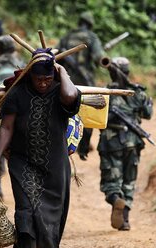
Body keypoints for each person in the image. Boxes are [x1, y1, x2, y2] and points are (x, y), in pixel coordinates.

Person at [0, 48, 81, 248]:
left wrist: (63, 72)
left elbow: (71, 97)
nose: (42, 83)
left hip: (55, 165)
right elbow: (7, 128)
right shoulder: (17, 93)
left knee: (53, 215)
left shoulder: (61, 91)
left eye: (47, 79)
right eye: (38, 78)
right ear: (29, 75)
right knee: (25, 211)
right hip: (22, 162)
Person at [98, 57, 153, 231]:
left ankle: (115, 200)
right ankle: (125, 220)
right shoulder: (138, 93)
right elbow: (148, 114)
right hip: (133, 142)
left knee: (111, 180)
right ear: (128, 72)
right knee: (129, 180)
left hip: (111, 141)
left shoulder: (103, 94)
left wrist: (84, 145)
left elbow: (92, 119)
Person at [56, 11, 105, 161]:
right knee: (88, 110)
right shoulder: (92, 37)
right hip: (85, 80)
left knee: (64, 109)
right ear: (90, 24)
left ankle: (63, 143)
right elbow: (99, 57)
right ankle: (83, 148)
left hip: (67, 80)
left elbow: (57, 53)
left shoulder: (67, 36)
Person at [0, 35, 26, 200]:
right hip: (21, 112)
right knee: (20, 150)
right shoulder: (22, 63)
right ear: (13, 48)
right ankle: (22, 191)